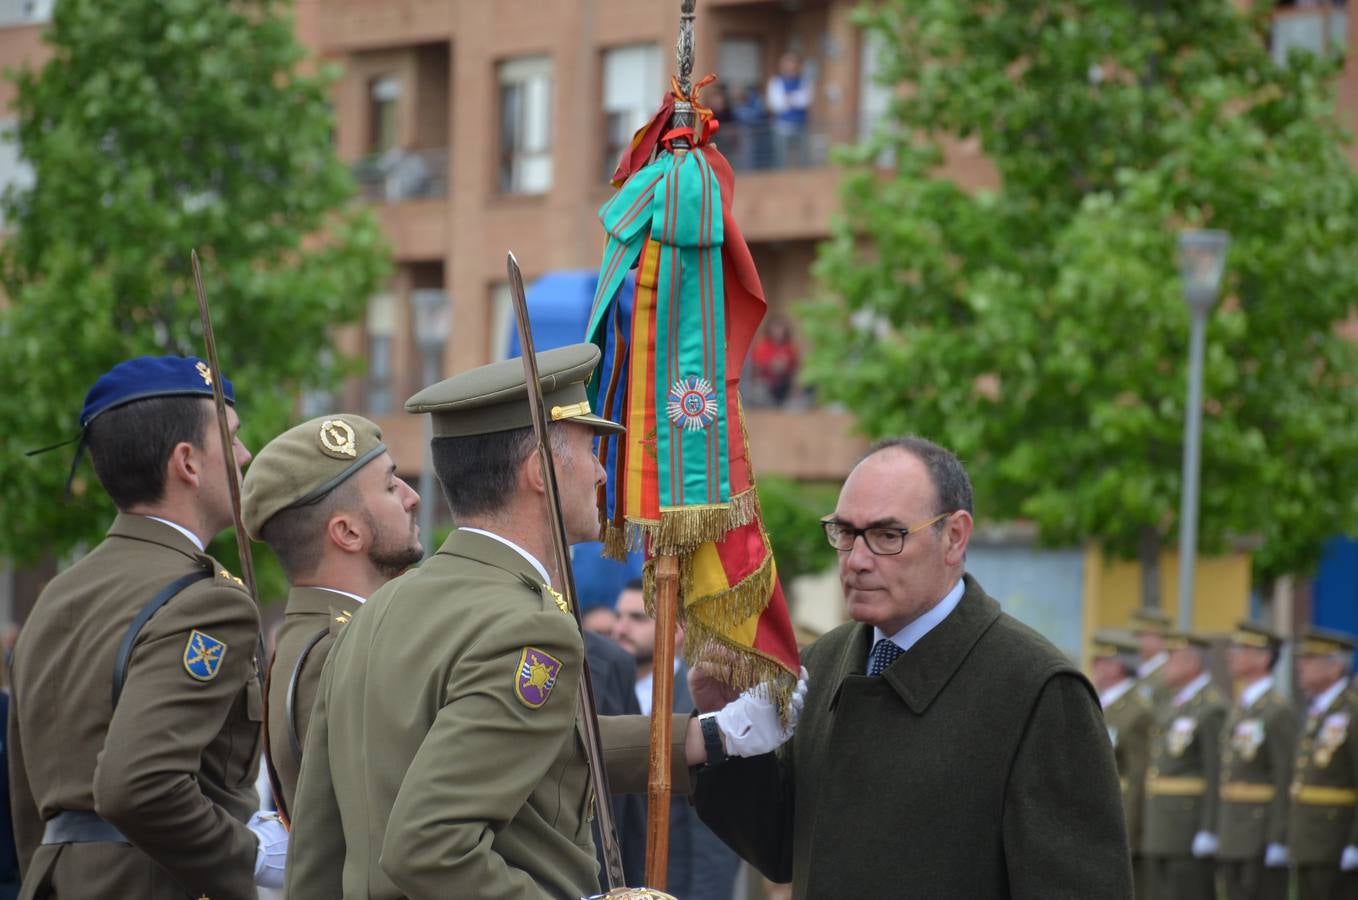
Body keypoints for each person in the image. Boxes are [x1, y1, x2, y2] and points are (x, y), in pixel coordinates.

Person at [284, 343, 806, 899]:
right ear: (539, 471)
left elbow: (316, 850)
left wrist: (713, 735)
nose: (602, 473)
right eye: (589, 451)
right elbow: (429, 847)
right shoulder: (528, 626)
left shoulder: (375, 611)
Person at [690, 436, 1132, 898]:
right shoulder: (818, 665)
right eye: (845, 533)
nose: (857, 561)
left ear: (955, 537)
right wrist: (729, 734)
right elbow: (778, 850)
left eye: (887, 536)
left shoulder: (1037, 689)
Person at [7, 356, 287, 899]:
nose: (246, 455)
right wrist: (251, 861)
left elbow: (28, 800)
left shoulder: (57, 595)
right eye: (230, 439)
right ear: (187, 462)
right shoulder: (206, 601)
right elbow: (137, 787)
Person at [240, 413, 422, 815]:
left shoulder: (331, 640)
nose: (412, 497)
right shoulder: (339, 654)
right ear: (348, 533)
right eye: (392, 486)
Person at [611, 581, 742, 899]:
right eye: (618, 616)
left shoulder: (701, 702)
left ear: (678, 631)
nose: (620, 629)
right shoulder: (603, 692)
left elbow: (714, 838)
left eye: (637, 618)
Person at [1140, 631, 1227, 900]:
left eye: (1172, 659)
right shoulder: (1174, 705)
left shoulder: (1211, 707)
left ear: (1191, 663)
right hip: (1161, 824)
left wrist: (1209, 828)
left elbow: (1216, 771)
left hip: (1187, 827)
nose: (1165, 666)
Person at [1215, 621, 1295, 900]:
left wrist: (1278, 837)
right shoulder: (1242, 706)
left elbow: (1285, 775)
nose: (1231, 654)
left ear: (1263, 657)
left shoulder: (1276, 710)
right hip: (1233, 830)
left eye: (1242, 648)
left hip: (1259, 833)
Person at [1288, 626, 1358, 900]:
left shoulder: (1351, 711)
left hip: (1336, 840)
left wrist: (1355, 842)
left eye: (1310, 659)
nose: (1301, 665)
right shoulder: (1318, 711)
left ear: (1335, 666)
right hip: (1309, 839)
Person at [1089, 630, 1153, 900]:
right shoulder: (1103, 703)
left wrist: (1133, 832)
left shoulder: (1137, 710)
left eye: (1100, 661)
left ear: (1117, 666)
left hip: (1121, 814)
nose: (1095, 667)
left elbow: (1138, 775)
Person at [765, 52, 812, 168]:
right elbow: (776, 105)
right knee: (781, 159)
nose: (790, 67)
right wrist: (795, 98)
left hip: (801, 125)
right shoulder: (776, 82)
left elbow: (805, 101)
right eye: (787, 64)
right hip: (782, 125)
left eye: (793, 64)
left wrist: (788, 98)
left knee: (803, 159)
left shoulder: (804, 81)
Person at [750, 319, 799, 408]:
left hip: (785, 383)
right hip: (767, 383)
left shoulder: (789, 347)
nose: (778, 332)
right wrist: (771, 366)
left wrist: (785, 366)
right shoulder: (763, 346)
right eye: (775, 329)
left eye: (780, 329)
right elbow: (756, 367)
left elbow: (795, 366)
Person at [1130, 607, 1172, 709]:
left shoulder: (1168, 671)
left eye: (1142, 636)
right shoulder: (1141, 669)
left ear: (1159, 638)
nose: (1137, 641)